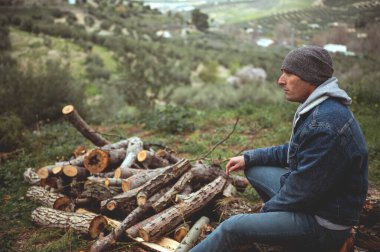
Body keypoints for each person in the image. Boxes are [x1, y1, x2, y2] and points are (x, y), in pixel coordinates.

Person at [190, 46, 368, 252]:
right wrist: (250, 157)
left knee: (232, 227)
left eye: (289, 73)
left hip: (324, 224)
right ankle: (282, 229)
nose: (280, 80)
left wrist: (265, 214)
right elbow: (295, 150)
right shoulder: (322, 107)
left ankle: (297, 239)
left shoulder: (324, 124)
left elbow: (302, 193)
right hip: (317, 201)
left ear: (310, 78)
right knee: (255, 169)